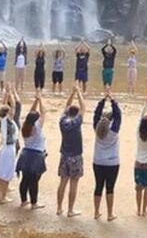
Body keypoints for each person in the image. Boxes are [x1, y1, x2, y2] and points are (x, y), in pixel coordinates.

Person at [93, 92, 122, 221]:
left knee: (98, 186)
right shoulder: (114, 131)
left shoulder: (97, 129)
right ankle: (110, 214)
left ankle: (96, 212)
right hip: (112, 163)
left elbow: (96, 115)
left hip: (98, 161)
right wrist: (113, 100)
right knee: (110, 188)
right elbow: (118, 115)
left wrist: (103, 101)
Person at [58, 85, 86, 216]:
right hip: (75, 156)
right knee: (73, 184)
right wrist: (79, 92)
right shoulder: (76, 122)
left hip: (64, 155)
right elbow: (83, 107)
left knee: (63, 182)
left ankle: (59, 208)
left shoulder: (63, 121)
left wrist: (73, 92)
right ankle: (70, 210)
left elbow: (66, 105)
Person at [16, 94, 47, 209]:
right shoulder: (37, 128)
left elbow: (31, 112)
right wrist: (40, 99)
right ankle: (34, 203)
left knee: (25, 179)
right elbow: (43, 112)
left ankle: (24, 200)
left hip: (25, 155)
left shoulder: (25, 125)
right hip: (36, 156)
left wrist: (36, 100)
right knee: (34, 181)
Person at [0, 92, 19, 204]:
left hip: (2, 148)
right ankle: (3, 197)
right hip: (9, 148)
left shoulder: (0, 119)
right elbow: (14, 106)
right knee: (6, 174)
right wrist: (11, 95)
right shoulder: (7, 121)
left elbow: (5, 106)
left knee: (0, 174)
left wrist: (7, 94)